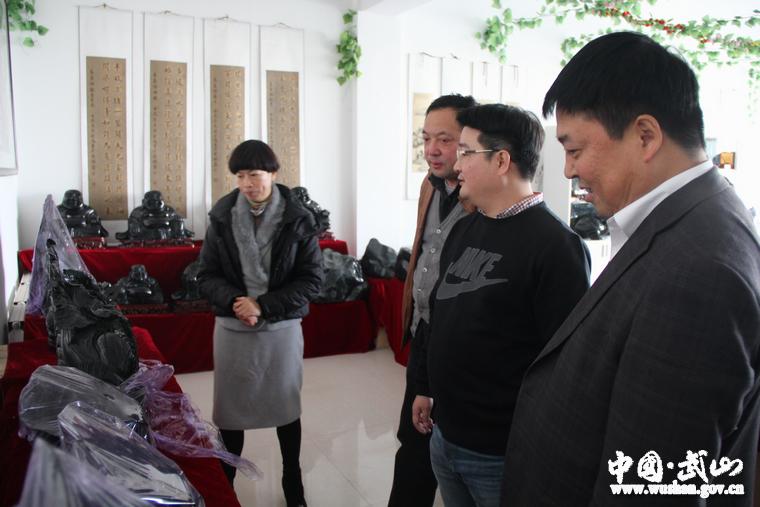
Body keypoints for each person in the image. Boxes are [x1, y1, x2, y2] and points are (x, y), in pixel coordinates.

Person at [501, 32, 760, 506]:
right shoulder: (682, 221)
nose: (568, 172)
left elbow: (647, 487)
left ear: (645, 136)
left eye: (575, 150)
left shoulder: (700, 273)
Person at [414, 103, 590, 506]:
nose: (457, 164)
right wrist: (425, 386)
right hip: (445, 436)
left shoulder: (556, 248)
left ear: (501, 161)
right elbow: (439, 315)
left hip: (500, 452)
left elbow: (566, 369)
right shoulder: (465, 228)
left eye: (465, 152)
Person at [197, 139, 323, 507]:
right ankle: (226, 484)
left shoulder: (299, 218)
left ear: (273, 173)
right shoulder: (221, 216)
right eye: (240, 176)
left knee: (285, 406)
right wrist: (237, 303)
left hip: (280, 327)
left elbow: (312, 280)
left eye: (254, 174)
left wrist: (263, 305)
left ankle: (292, 479)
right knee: (230, 412)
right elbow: (206, 275)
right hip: (233, 326)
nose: (247, 183)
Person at [388, 93, 477, 507]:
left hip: (461, 339)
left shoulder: (483, 197)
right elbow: (424, 251)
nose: (432, 150)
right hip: (424, 329)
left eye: (445, 139)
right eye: (426, 139)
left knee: (456, 447)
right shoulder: (430, 185)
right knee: (413, 439)